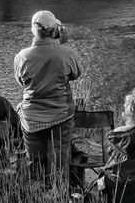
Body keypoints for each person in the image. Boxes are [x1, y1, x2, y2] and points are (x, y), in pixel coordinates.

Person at [14, 10, 85, 186]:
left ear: (33, 30)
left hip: (32, 117)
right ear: (55, 31)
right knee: (59, 163)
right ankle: (59, 192)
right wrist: (62, 44)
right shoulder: (65, 52)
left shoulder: (22, 56)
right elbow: (77, 73)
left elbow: (22, 82)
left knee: (34, 162)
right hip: (60, 116)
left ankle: (38, 192)